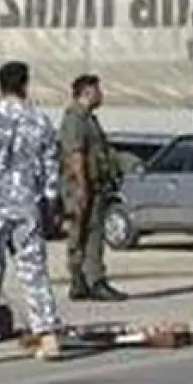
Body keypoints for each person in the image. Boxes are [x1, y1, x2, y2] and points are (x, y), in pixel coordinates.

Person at [0, 61, 65, 363]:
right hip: (27, 206)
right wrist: (50, 205)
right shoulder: (40, 121)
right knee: (34, 271)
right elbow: (51, 169)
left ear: (0, 85)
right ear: (25, 84)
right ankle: (47, 335)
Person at [59, 73, 127, 302]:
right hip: (82, 185)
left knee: (86, 232)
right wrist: (81, 187)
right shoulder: (75, 119)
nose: (101, 94)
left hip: (91, 184)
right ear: (87, 92)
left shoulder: (88, 118)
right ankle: (92, 280)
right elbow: (75, 154)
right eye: (98, 90)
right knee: (86, 233)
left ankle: (83, 281)